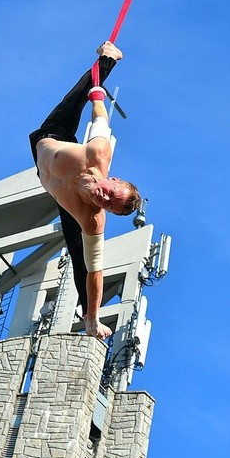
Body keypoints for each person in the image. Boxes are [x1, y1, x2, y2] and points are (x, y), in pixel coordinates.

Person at [28, 41, 141, 340]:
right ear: (113, 179)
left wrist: (94, 317)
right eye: (109, 192)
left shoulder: (93, 217)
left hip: (57, 191)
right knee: (77, 96)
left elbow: (96, 271)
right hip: (52, 137)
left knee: (81, 256)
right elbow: (99, 119)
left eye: (109, 205)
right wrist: (97, 94)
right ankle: (109, 58)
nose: (102, 198)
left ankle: (89, 315)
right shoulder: (98, 154)